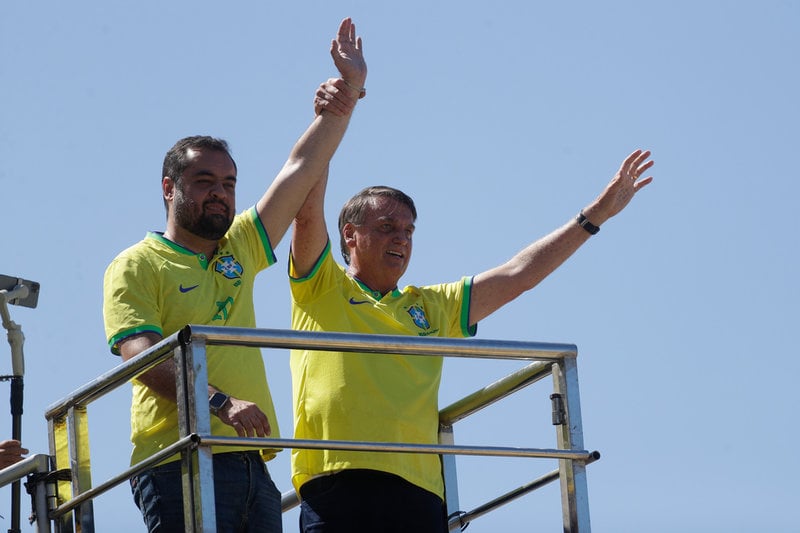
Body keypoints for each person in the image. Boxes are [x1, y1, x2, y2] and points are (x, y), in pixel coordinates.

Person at [288, 150, 654, 532]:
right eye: (387, 226)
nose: (401, 238)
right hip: (336, 481)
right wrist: (330, 125)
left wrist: (595, 215)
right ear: (350, 234)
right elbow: (306, 212)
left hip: (420, 491)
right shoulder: (321, 286)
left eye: (409, 231)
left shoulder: (431, 306)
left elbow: (518, 274)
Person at [102, 18, 366, 532]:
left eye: (228, 183)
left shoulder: (239, 246)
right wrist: (220, 403)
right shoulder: (136, 263)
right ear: (169, 188)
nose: (220, 192)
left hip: (251, 464)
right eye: (205, 181)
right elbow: (141, 359)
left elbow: (300, 169)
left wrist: (346, 98)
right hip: (178, 459)